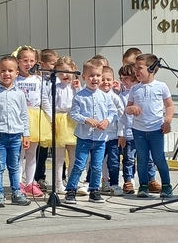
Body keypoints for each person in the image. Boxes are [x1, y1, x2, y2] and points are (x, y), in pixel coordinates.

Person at [64, 58, 117, 204]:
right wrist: (86, 119)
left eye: (98, 76)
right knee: (80, 163)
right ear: (84, 77)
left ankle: (94, 190)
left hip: (100, 138)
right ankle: (71, 190)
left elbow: (113, 112)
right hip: (84, 136)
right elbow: (73, 114)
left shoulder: (105, 96)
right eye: (92, 76)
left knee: (97, 165)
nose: (95, 79)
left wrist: (107, 121)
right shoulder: (80, 96)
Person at [0, 56, 31, 207]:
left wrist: (26, 133)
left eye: (10, 70)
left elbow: (24, 114)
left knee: (14, 166)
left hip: (16, 135)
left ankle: (16, 192)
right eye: (3, 70)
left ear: (17, 73)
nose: (6, 74)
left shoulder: (20, 93)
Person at [126, 53, 174, 198]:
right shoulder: (134, 89)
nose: (136, 72)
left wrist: (168, 121)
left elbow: (170, 105)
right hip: (139, 130)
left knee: (159, 158)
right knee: (142, 158)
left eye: (139, 68)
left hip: (156, 129)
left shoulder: (161, 86)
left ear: (152, 69)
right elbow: (127, 108)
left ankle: (166, 185)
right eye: (135, 68)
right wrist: (131, 109)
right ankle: (143, 185)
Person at [14, 45, 51, 197]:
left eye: (31, 60)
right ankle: (17, 184)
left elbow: (45, 100)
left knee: (32, 154)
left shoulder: (39, 80)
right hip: (18, 117)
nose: (28, 63)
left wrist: (50, 119)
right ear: (18, 61)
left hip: (35, 118)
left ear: (36, 61)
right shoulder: (15, 79)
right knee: (19, 154)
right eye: (24, 60)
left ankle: (30, 183)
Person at [118, 64, 160, 195]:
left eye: (126, 78)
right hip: (130, 133)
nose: (123, 81)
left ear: (135, 78)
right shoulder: (122, 95)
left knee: (148, 158)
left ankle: (151, 180)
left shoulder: (140, 90)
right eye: (122, 78)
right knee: (129, 159)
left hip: (144, 131)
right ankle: (128, 181)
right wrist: (122, 134)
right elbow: (122, 117)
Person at [52, 56, 81, 194]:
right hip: (59, 119)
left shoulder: (77, 87)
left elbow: (81, 102)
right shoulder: (55, 87)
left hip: (73, 120)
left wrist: (78, 88)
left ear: (74, 70)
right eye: (61, 72)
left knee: (74, 155)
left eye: (67, 71)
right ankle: (58, 183)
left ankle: (72, 182)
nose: (64, 75)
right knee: (59, 156)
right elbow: (51, 104)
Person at [34, 48, 59, 192]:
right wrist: (50, 117)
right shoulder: (39, 80)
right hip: (43, 117)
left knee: (58, 149)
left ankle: (60, 178)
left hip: (59, 117)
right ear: (42, 64)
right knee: (41, 151)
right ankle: (39, 177)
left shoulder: (57, 78)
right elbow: (43, 100)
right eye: (52, 63)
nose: (55, 66)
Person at [98, 66, 124, 196]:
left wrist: (121, 134)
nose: (105, 82)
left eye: (108, 79)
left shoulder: (115, 98)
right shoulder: (95, 96)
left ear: (114, 81)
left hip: (113, 137)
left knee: (113, 163)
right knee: (96, 162)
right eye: (102, 79)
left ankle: (114, 184)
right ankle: (94, 184)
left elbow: (122, 117)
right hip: (98, 137)